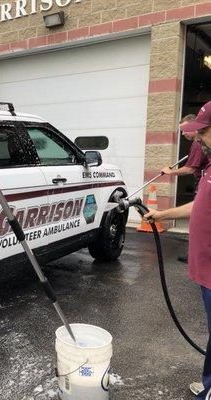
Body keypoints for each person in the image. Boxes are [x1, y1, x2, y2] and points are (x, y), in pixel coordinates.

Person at [144, 100, 211, 399]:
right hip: (205, 270)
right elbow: (199, 206)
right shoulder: (210, 167)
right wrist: (161, 215)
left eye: (204, 132)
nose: (198, 138)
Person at [161, 114, 209, 262]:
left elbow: (189, 169)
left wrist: (171, 172)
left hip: (204, 184)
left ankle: (196, 254)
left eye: (185, 130)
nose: (183, 133)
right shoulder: (199, 142)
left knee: (197, 218)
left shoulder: (198, 142)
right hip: (203, 182)